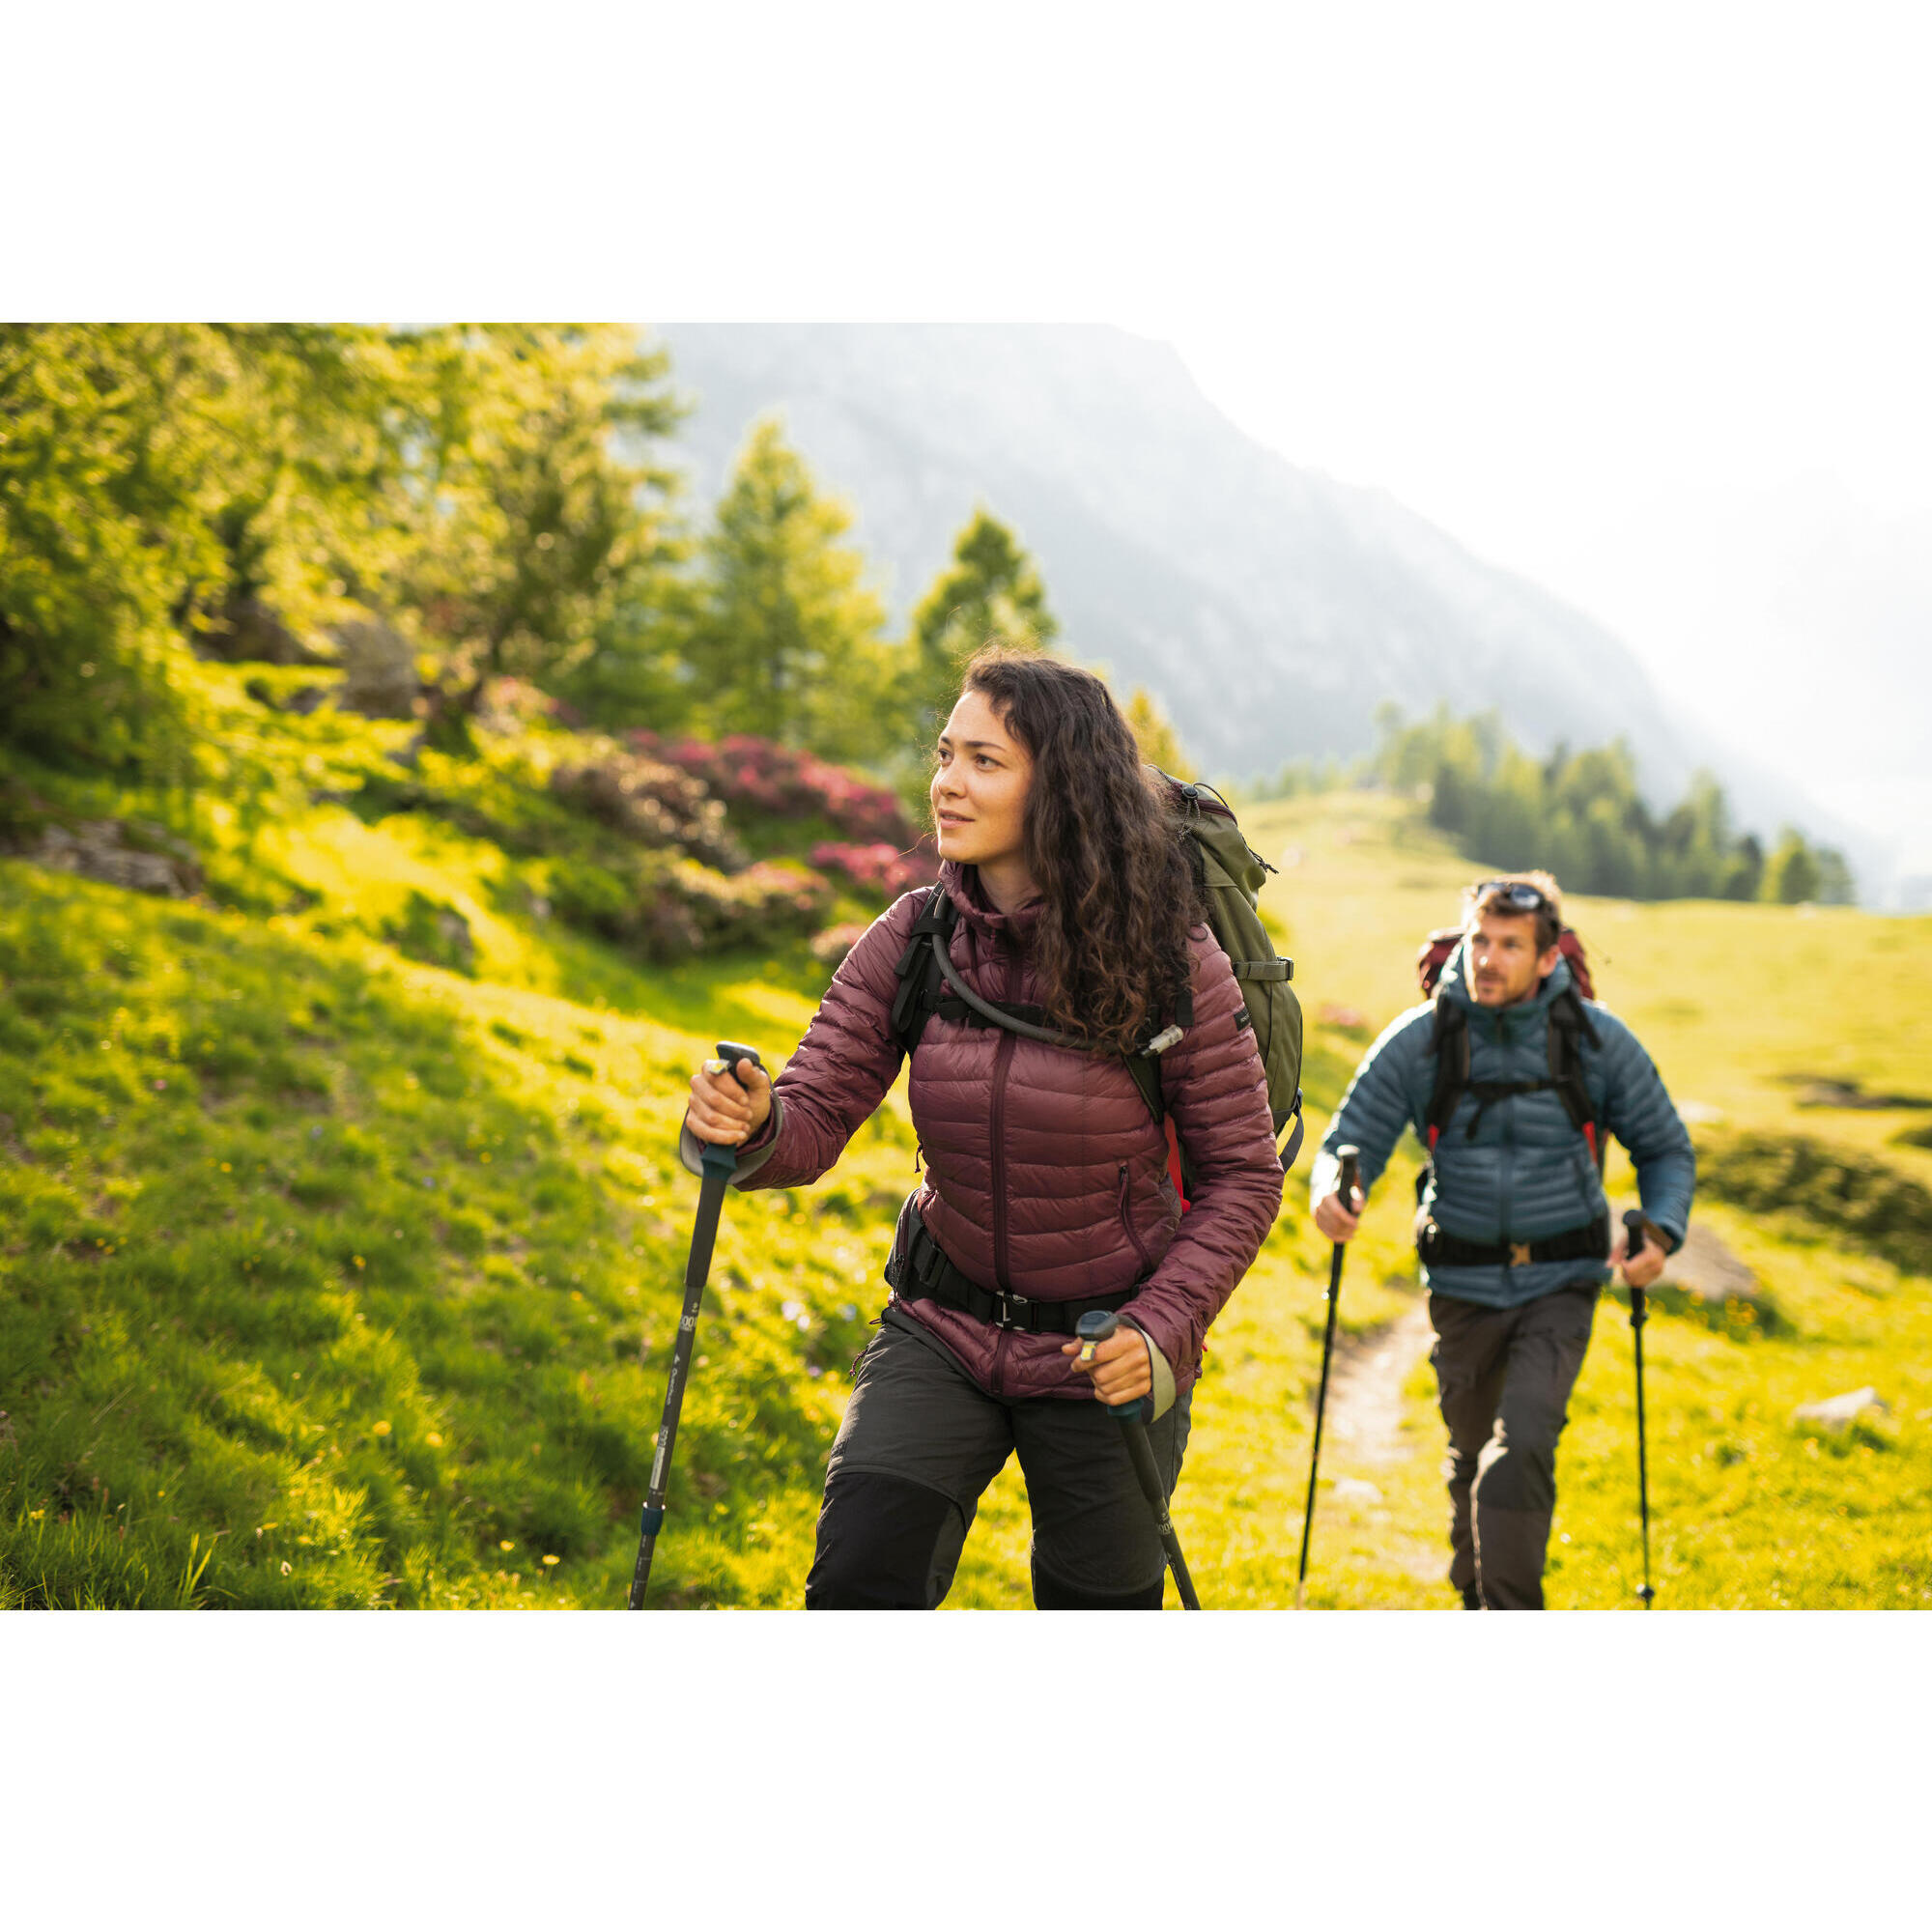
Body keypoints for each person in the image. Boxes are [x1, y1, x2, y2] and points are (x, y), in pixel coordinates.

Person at [684, 649, 1284, 1608]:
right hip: (942, 1326)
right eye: (943, 752)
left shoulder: (1170, 958)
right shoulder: (914, 936)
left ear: (1060, 788)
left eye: (984, 761)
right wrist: (755, 1120)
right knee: (855, 1585)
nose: (946, 783)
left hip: (1104, 1348)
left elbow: (1243, 1176)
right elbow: (815, 1113)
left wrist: (1158, 1326)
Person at [1310, 872, 1694, 1609]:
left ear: (1548, 958)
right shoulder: (1424, 1038)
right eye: (1480, 940)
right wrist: (1335, 1189)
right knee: (1469, 1458)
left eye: (1509, 945)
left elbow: (1665, 1148)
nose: (1487, 959)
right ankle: (1474, 1603)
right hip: (1461, 1287)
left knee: (1521, 1447)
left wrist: (1662, 1228)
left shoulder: (1596, 1039)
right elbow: (1350, 1136)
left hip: (1562, 1283)